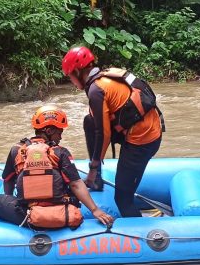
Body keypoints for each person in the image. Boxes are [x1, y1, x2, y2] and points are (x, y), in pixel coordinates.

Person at [62, 46, 162, 217]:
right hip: (138, 127)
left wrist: (93, 167)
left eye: (70, 75)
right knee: (89, 121)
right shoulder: (106, 75)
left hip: (142, 141)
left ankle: (138, 231)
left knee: (122, 199)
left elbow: (104, 134)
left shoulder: (96, 90)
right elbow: (98, 124)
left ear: (78, 71)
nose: (71, 80)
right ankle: (98, 181)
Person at [0, 105, 114, 229]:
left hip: (29, 213)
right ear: (49, 131)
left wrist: (10, 198)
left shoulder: (16, 150)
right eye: (59, 132)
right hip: (61, 212)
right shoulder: (61, 152)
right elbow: (75, 184)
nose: (60, 137)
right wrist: (95, 210)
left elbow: (8, 180)